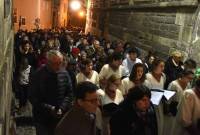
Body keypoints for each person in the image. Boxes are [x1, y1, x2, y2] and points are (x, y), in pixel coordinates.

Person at [29, 50, 73, 135]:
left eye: (60, 62)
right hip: (42, 118)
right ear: (48, 62)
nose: (59, 66)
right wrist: (50, 108)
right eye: (55, 63)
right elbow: (33, 97)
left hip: (60, 116)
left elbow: (69, 93)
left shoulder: (64, 73)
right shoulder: (38, 75)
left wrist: (62, 108)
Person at [144, 58, 166, 135]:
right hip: (150, 104)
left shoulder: (163, 76)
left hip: (159, 104)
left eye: (164, 66)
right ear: (155, 66)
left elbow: (162, 89)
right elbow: (145, 92)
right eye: (161, 66)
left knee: (159, 123)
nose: (163, 68)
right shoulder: (148, 76)